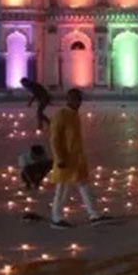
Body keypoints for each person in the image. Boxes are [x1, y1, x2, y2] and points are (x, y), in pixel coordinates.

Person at [46, 89, 110, 228]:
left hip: (77, 159)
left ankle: (94, 215)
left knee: (85, 186)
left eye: (79, 99)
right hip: (66, 160)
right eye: (75, 99)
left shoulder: (74, 114)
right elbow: (55, 139)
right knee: (62, 189)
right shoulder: (61, 115)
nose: (78, 103)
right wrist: (59, 158)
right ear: (68, 99)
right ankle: (56, 218)